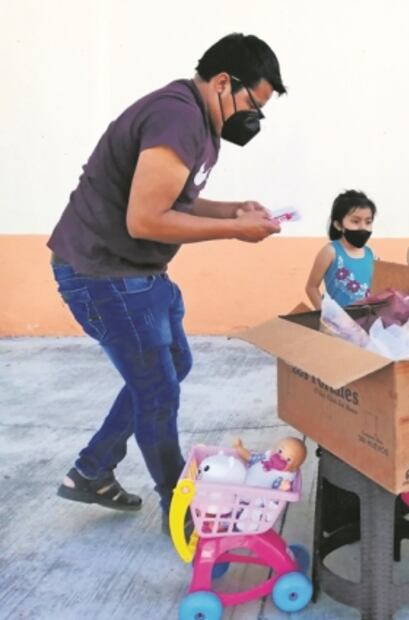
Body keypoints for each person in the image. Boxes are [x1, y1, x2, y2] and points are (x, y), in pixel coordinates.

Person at [49, 33, 285, 531]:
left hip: (133, 272)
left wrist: (233, 209)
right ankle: (179, 506)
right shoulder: (177, 115)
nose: (254, 120)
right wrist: (234, 230)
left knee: (172, 364)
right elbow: (146, 218)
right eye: (252, 104)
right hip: (104, 273)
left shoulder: (198, 121)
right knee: (157, 392)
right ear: (223, 82)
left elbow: (171, 195)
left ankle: (91, 470)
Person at [305, 190, 377, 309]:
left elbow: (379, 288)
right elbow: (311, 287)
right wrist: (326, 315)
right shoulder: (330, 252)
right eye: (355, 221)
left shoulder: (372, 255)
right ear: (338, 225)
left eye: (368, 222)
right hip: (337, 324)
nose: (363, 227)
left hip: (366, 323)